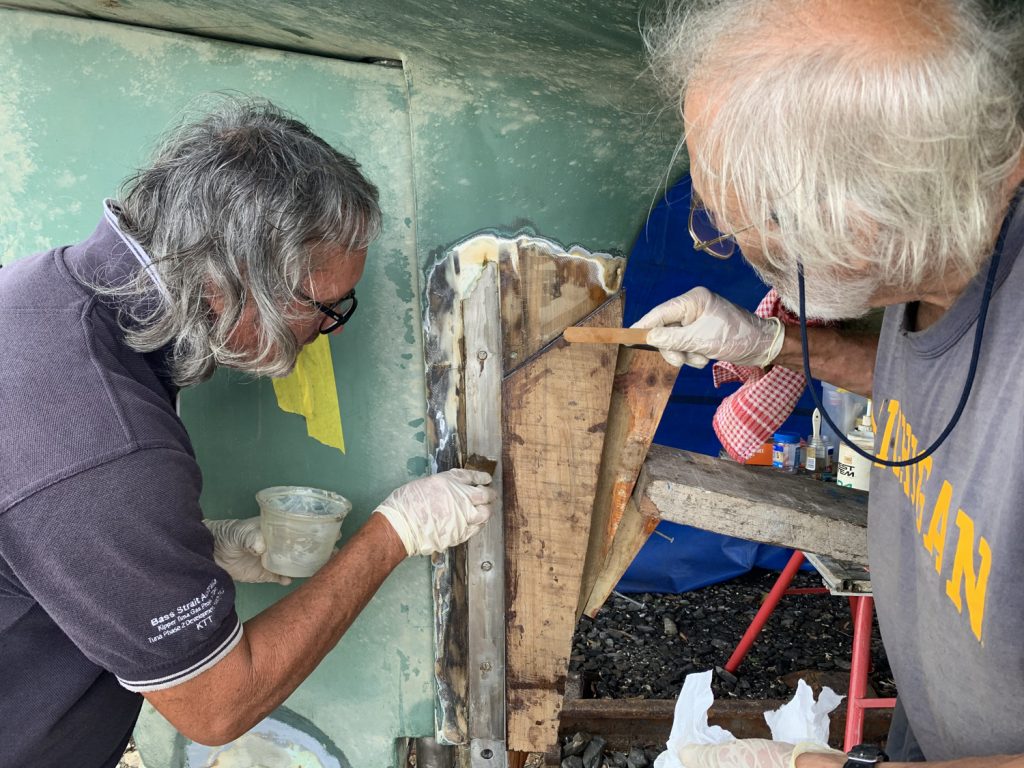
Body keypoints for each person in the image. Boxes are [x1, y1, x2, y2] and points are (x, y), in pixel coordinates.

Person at [0, 98, 495, 768]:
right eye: (327, 306)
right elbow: (217, 705)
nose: (335, 328)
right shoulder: (110, 450)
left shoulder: (39, 288)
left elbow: (51, 526)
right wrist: (395, 534)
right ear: (231, 283)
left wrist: (182, 551)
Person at [635, 0, 1024, 764]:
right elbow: (962, 399)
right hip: (939, 729)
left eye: (736, 221)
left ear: (861, 224)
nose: (721, 241)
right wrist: (774, 343)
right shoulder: (944, 248)